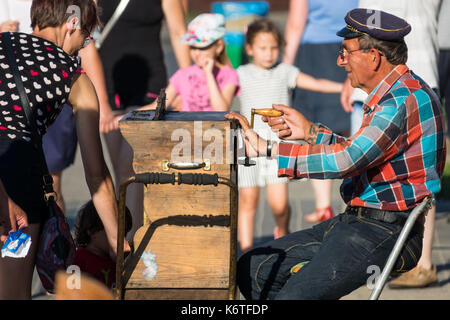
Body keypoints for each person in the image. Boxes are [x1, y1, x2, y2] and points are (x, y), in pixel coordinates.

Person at [225, 8, 446, 299]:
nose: (340, 61)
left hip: (383, 231)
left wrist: (268, 149)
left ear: (373, 57)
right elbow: (365, 153)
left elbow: (348, 159)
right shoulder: (401, 91)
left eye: (346, 51)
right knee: (253, 267)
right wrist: (310, 132)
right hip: (364, 223)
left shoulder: (398, 102)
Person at [0, 0, 130, 299]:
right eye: (85, 38)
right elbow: (96, 174)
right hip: (18, 183)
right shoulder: (74, 76)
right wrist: (114, 235)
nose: (83, 47)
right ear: (71, 24)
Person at [339, 0, 444, 289]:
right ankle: (373, 260)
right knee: (366, 167)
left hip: (414, 75)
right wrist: (351, 77)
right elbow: (358, 35)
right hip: (371, 79)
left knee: (419, 171)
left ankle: (420, 261)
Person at [236, 18, 343, 253]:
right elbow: (221, 97)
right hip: (247, 146)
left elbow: (314, 82)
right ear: (250, 49)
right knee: (248, 202)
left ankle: (283, 234)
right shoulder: (240, 74)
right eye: (263, 48)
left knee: (279, 204)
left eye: (274, 47)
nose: (269, 53)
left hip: (277, 145)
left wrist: (342, 87)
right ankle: (244, 251)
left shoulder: (285, 71)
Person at [97, 0, 191, 239]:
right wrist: (99, 100)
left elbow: (179, 32)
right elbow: (86, 35)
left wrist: (188, 83)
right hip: (109, 83)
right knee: (120, 173)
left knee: (131, 162)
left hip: (150, 83)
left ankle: (134, 241)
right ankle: (124, 243)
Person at [283, 0, 358, 223]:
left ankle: (323, 204)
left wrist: (285, 65)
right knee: (350, 126)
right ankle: (354, 199)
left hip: (314, 53)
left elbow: (296, 24)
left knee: (314, 131)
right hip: (350, 46)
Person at [127, 13, 239, 113]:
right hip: (184, 134)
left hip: (215, 134)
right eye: (192, 47)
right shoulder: (183, 74)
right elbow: (157, 106)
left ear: (219, 46)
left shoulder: (229, 75)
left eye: (202, 47)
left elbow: (221, 111)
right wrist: (126, 116)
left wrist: (208, 74)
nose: (196, 53)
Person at [73, 200, 132, 289]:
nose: (121, 239)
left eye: (124, 234)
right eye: (112, 233)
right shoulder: (79, 259)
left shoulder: (117, 258)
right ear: (90, 230)